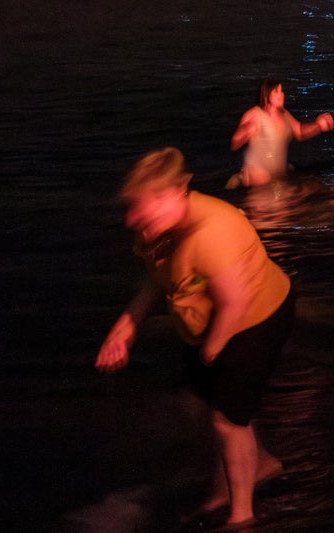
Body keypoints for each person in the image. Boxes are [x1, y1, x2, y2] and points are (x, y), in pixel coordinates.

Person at [97, 148, 295, 527]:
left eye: (143, 208)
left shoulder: (212, 232)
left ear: (174, 194)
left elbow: (235, 303)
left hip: (258, 316)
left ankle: (242, 515)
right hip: (212, 319)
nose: (133, 218)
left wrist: (212, 352)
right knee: (195, 402)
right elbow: (157, 281)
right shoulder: (154, 231)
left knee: (226, 419)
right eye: (132, 208)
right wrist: (124, 329)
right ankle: (257, 467)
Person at [229, 77, 334, 187]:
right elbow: (235, 142)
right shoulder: (255, 114)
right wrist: (248, 129)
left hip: (277, 178)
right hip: (258, 178)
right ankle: (240, 179)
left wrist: (318, 125)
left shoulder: (285, 115)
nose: (281, 94)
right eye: (276, 91)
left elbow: (300, 132)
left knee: (314, 187)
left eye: (282, 91)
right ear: (266, 96)